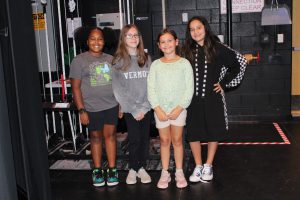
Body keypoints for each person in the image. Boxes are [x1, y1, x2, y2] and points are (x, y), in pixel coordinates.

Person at [182, 16, 247, 183]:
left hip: (213, 99)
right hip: (192, 100)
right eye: (192, 29)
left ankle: (208, 165)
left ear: (205, 28)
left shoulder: (217, 47)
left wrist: (224, 84)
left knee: (213, 131)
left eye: (198, 28)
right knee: (193, 133)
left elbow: (239, 63)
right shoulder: (186, 50)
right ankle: (198, 165)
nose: (195, 32)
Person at [69, 27, 119, 187]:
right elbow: (75, 88)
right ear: (87, 41)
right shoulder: (79, 61)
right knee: (96, 139)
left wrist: (121, 105)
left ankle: (112, 170)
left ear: (105, 42)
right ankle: (97, 170)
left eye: (100, 39)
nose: (96, 42)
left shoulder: (111, 59)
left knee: (111, 138)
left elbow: (118, 84)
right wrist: (81, 110)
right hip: (91, 108)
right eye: (93, 38)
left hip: (111, 105)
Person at [147, 29, 194, 189]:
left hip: (178, 110)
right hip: (160, 110)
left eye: (169, 40)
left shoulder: (184, 63)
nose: (166, 44)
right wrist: (157, 108)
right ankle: (165, 172)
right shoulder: (155, 65)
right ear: (159, 46)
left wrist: (179, 108)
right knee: (165, 141)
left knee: (177, 140)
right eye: (163, 42)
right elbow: (151, 89)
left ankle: (179, 171)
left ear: (176, 42)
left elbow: (189, 89)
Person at [112, 24, 152, 185]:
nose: (133, 38)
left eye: (136, 35)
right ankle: (133, 168)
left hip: (146, 106)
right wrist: (135, 109)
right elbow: (118, 90)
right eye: (129, 35)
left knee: (144, 139)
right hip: (130, 109)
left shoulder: (147, 58)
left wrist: (144, 107)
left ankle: (141, 167)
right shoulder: (118, 61)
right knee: (134, 139)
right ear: (123, 38)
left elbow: (152, 84)